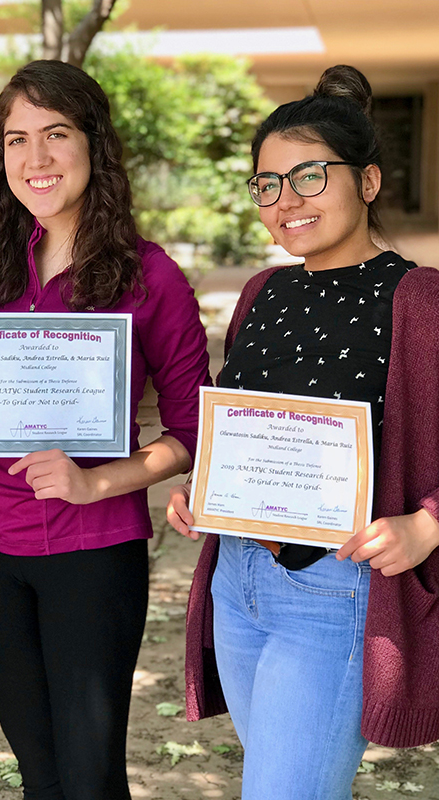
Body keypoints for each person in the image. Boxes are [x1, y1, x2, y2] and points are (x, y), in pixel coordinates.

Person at [0, 60, 210, 800]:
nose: (36, 158)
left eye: (56, 134)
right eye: (17, 139)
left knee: (89, 777)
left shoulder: (152, 278)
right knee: (39, 771)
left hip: (94, 550)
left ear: (95, 145)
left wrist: (97, 480)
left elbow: (191, 429)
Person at [167, 65, 439, 800]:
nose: (286, 201)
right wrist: (202, 489)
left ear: (370, 181)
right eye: (268, 184)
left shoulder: (420, 299)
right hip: (239, 582)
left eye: (311, 176)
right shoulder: (263, 291)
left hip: (336, 591)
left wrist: (427, 523)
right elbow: (248, 422)